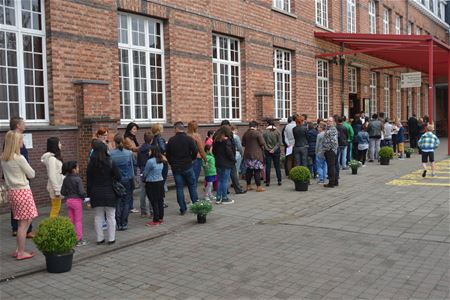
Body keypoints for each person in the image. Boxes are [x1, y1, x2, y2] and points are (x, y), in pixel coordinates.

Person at [1, 130, 37, 260]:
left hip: (13, 192)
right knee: (23, 224)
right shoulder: (20, 158)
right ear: (16, 143)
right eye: (21, 140)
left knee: (25, 221)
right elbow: (32, 174)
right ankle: (21, 252)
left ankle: (18, 249)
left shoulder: (4, 159)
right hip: (23, 191)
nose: (23, 142)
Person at [87, 141, 120, 245]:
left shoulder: (91, 164)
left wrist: (89, 196)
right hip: (109, 191)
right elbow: (119, 176)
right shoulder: (110, 162)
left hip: (96, 193)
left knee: (98, 216)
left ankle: (99, 239)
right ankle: (111, 238)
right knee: (111, 216)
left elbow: (88, 182)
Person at [6, 117, 33, 238]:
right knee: (26, 218)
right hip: (21, 182)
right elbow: (31, 172)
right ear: (18, 125)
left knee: (18, 211)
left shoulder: (9, 143)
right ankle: (23, 232)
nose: (25, 125)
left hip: (13, 186)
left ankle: (18, 230)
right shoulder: (13, 140)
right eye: (23, 123)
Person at [166, 121, 199, 215]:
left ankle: (183, 208)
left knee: (179, 188)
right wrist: (191, 159)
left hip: (176, 168)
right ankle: (196, 206)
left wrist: (172, 163)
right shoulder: (189, 139)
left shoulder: (171, 140)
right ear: (182, 129)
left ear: (176, 129)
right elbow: (195, 151)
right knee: (192, 187)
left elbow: (168, 154)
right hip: (188, 166)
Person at [110, 134, 135, 231]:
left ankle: (118, 223)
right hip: (127, 179)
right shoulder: (128, 153)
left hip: (116, 181)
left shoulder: (111, 154)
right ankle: (124, 223)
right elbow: (132, 167)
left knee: (118, 202)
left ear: (114, 142)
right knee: (127, 201)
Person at [61, 161, 88, 246]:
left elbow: (62, 192)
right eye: (77, 167)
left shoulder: (66, 179)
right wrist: (84, 197)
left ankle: (72, 237)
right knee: (78, 221)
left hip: (69, 201)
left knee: (71, 220)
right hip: (77, 202)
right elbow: (81, 192)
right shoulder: (77, 179)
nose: (78, 169)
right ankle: (79, 239)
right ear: (73, 169)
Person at [41, 137, 64, 218]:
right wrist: (57, 190)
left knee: (56, 207)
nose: (61, 145)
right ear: (55, 145)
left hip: (57, 186)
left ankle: (53, 224)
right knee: (55, 208)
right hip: (55, 187)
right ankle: (52, 226)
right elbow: (52, 175)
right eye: (59, 143)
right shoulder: (52, 159)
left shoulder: (53, 157)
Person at [212, 125, 236, 204]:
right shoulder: (227, 141)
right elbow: (229, 152)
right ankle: (225, 198)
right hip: (226, 163)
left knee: (220, 180)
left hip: (218, 163)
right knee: (225, 181)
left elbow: (214, 152)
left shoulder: (216, 140)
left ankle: (218, 198)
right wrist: (233, 159)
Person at [143, 145, 166, 226]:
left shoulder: (150, 161)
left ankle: (155, 220)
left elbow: (145, 172)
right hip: (160, 182)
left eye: (149, 151)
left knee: (154, 202)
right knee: (160, 201)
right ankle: (161, 218)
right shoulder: (161, 160)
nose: (148, 152)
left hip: (151, 183)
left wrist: (143, 178)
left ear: (153, 151)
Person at [242, 121, 266, 192]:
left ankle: (248, 185)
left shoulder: (245, 133)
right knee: (257, 171)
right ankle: (258, 187)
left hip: (247, 155)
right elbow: (262, 143)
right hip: (256, 155)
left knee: (249, 171)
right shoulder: (257, 133)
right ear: (256, 126)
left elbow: (243, 144)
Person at [123, 122, 139, 213]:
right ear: (129, 129)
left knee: (132, 185)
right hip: (131, 163)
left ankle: (130, 206)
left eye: (136, 129)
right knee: (131, 185)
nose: (135, 131)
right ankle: (130, 206)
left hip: (134, 162)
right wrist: (144, 147)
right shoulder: (127, 139)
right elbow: (133, 149)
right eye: (134, 129)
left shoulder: (132, 138)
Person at [137, 131, 154, 218]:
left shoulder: (140, 149)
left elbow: (138, 162)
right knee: (151, 191)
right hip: (150, 171)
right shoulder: (152, 148)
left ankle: (143, 211)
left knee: (143, 192)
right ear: (151, 140)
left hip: (142, 171)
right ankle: (151, 212)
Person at [263, 120, 282, 186]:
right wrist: (274, 149)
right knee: (277, 166)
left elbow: (264, 143)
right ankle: (279, 180)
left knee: (268, 166)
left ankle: (268, 182)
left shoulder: (264, 132)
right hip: (276, 151)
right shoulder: (277, 132)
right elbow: (279, 142)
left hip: (267, 151)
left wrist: (268, 149)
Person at [151, 123, 168, 195]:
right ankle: (161, 200)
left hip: (156, 161)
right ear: (159, 130)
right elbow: (163, 149)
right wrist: (167, 144)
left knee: (158, 181)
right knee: (162, 181)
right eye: (161, 128)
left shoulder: (153, 139)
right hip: (162, 161)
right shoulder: (160, 138)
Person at [323, 117, 338, 188]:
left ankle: (331, 183)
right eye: (327, 121)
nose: (328, 122)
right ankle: (335, 181)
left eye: (330, 121)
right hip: (328, 150)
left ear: (333, 122)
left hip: (330, 150)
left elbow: (333, 141)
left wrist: (330, 149)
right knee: (332, 166)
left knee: (331, 167)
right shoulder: (328, 129)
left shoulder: (332, 129)